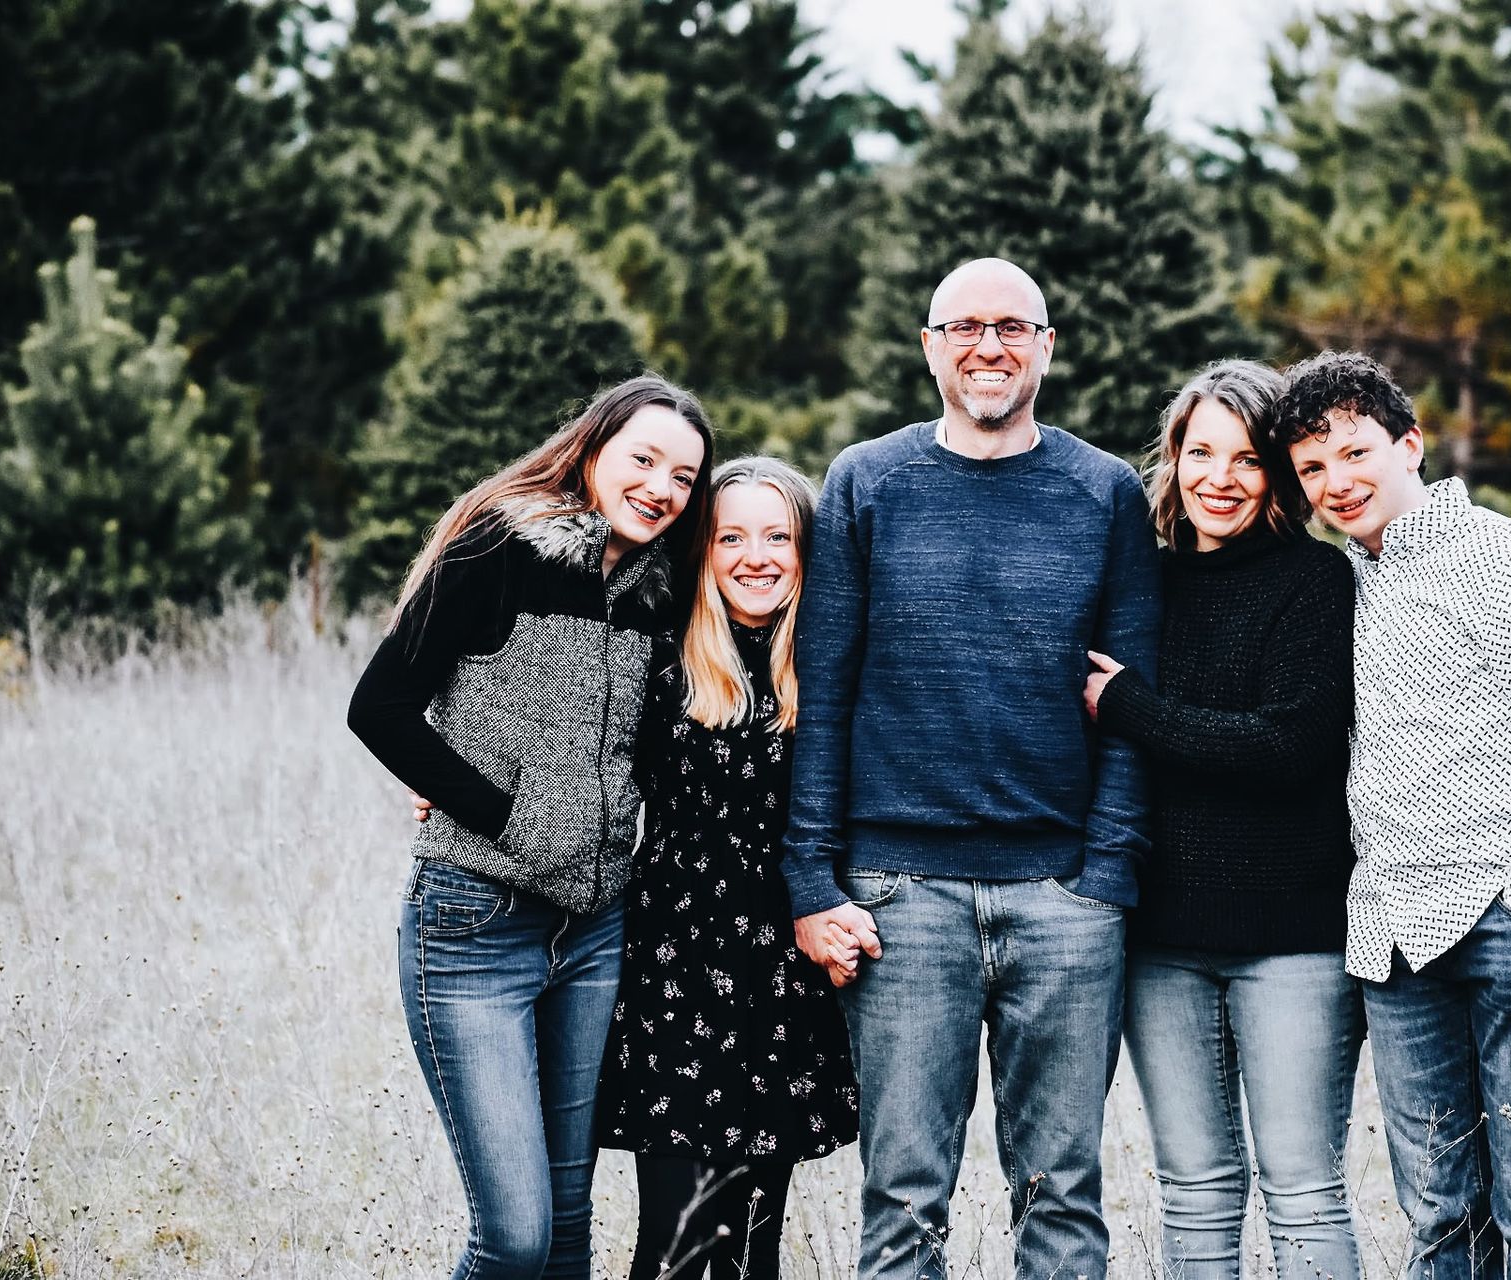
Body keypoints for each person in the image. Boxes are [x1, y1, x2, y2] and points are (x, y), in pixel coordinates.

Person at [780, 257, 1161, 1280]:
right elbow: (826, 690)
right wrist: (812, 881)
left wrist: (1107, 876)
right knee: (904, 1196)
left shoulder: (1104, 492)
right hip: (901, 896)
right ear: (930, 349)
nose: (988, 346)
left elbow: (1132, 697)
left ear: (1046, 346)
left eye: (1011, 327)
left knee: (1063, 1194)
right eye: (965, 327)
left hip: (1064, 898)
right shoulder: (867, 479)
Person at [1271, 351, 1511, 1278]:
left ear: (1411, 445)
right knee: (1441, 1224)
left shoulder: (1508, 563)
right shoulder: (1343, 584)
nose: (1336, 483)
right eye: (1313, 469)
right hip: (1396, 943)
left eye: (1354, 454)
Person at [347, 374, 714, 1280]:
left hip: (592, 934)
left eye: (682, 477)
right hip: (472, 927)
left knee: (566, 1229)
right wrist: (502, 811)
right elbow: (381, 708)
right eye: (643, 460)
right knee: (512, 1237)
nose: (661, 488)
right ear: (592, 452)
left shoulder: (660, 591)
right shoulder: (495, 548)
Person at [1081, 359, 1363, 1280]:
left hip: (1294, 943)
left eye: (1245, 459)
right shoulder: (1143, 584)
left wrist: (1134, 709)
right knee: (1195, 1191)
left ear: (1276, 474)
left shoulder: (1316, 583)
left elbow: (1288, 749)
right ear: (1172, 458)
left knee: (1302, 1189)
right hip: (1161, 941)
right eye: (1200, 451)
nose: (1220, 478)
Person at [598, 457, 858, 1280]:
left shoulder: (828, 665)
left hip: (783, 970)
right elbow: (572, 747)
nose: (757, 556)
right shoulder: (659, 652)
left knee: (753, 1246)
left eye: (778, 536)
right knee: (674, 1244)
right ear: (702, 551)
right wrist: (445, 782)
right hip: (674, 963)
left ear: (807, 549)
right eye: (731, 537)